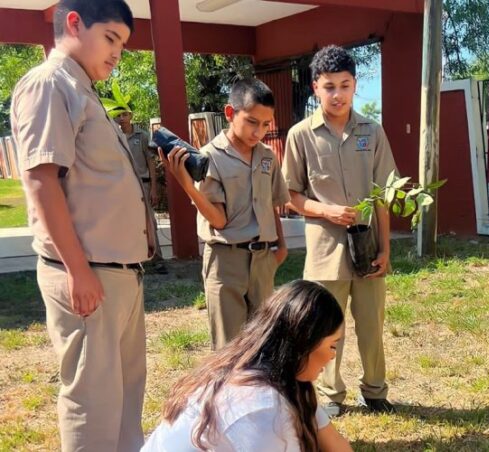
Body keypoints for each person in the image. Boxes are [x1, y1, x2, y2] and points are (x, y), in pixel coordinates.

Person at [10, 1, 156, 450]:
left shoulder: (85, 90)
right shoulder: (50, 84)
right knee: (93, 403)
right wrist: (77, 271)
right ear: (74, 23)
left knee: (125, 396)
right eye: (111, 38)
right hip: (88, 273)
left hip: (117, 274)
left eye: (124, 45)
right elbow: (40, 179)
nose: (117, 54)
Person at [282, 45, 398, 417]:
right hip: (325, 251)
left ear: (355, 85)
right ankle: (331, 396)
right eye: (329, 86)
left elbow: (384, 194)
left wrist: (386, 249)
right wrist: (326, 210)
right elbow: (290, 195)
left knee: (371, 325)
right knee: (325, 328)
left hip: (367, 248)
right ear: (315, 87)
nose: (338, 94)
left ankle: (375, 391)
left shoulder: (372, 131)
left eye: (345, 85)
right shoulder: (300, 135)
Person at [142, 280, 353, 452]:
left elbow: (337, 446)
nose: (333, 356)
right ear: (305, 343)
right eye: (332, 345)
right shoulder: (262, 407)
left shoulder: (279, 379)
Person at [161, 77, 290, 350]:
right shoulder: (209, 157)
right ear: (230, 113)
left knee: (263, 344)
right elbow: (218, 220)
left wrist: (281, 246)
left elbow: (272, 204)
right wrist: (186, 184)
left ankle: (257, 394)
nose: (259, 131)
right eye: (252, 121)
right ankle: (227, 395)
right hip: (226, 261)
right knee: (228, 347)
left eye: (266, 124)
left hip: (263, 259)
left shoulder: (267, 156)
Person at [115, 108, 168, 274]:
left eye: (125, 114)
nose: (122, 118)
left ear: (130, 116)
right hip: (124, 186)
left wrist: (153, 188)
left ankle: (157, 259)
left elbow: (151, 162)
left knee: (149, 222)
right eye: (118, 115)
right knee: (128, 222)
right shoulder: (114, 137)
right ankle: (135, 259)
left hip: (143, 184)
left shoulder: (142, 136)